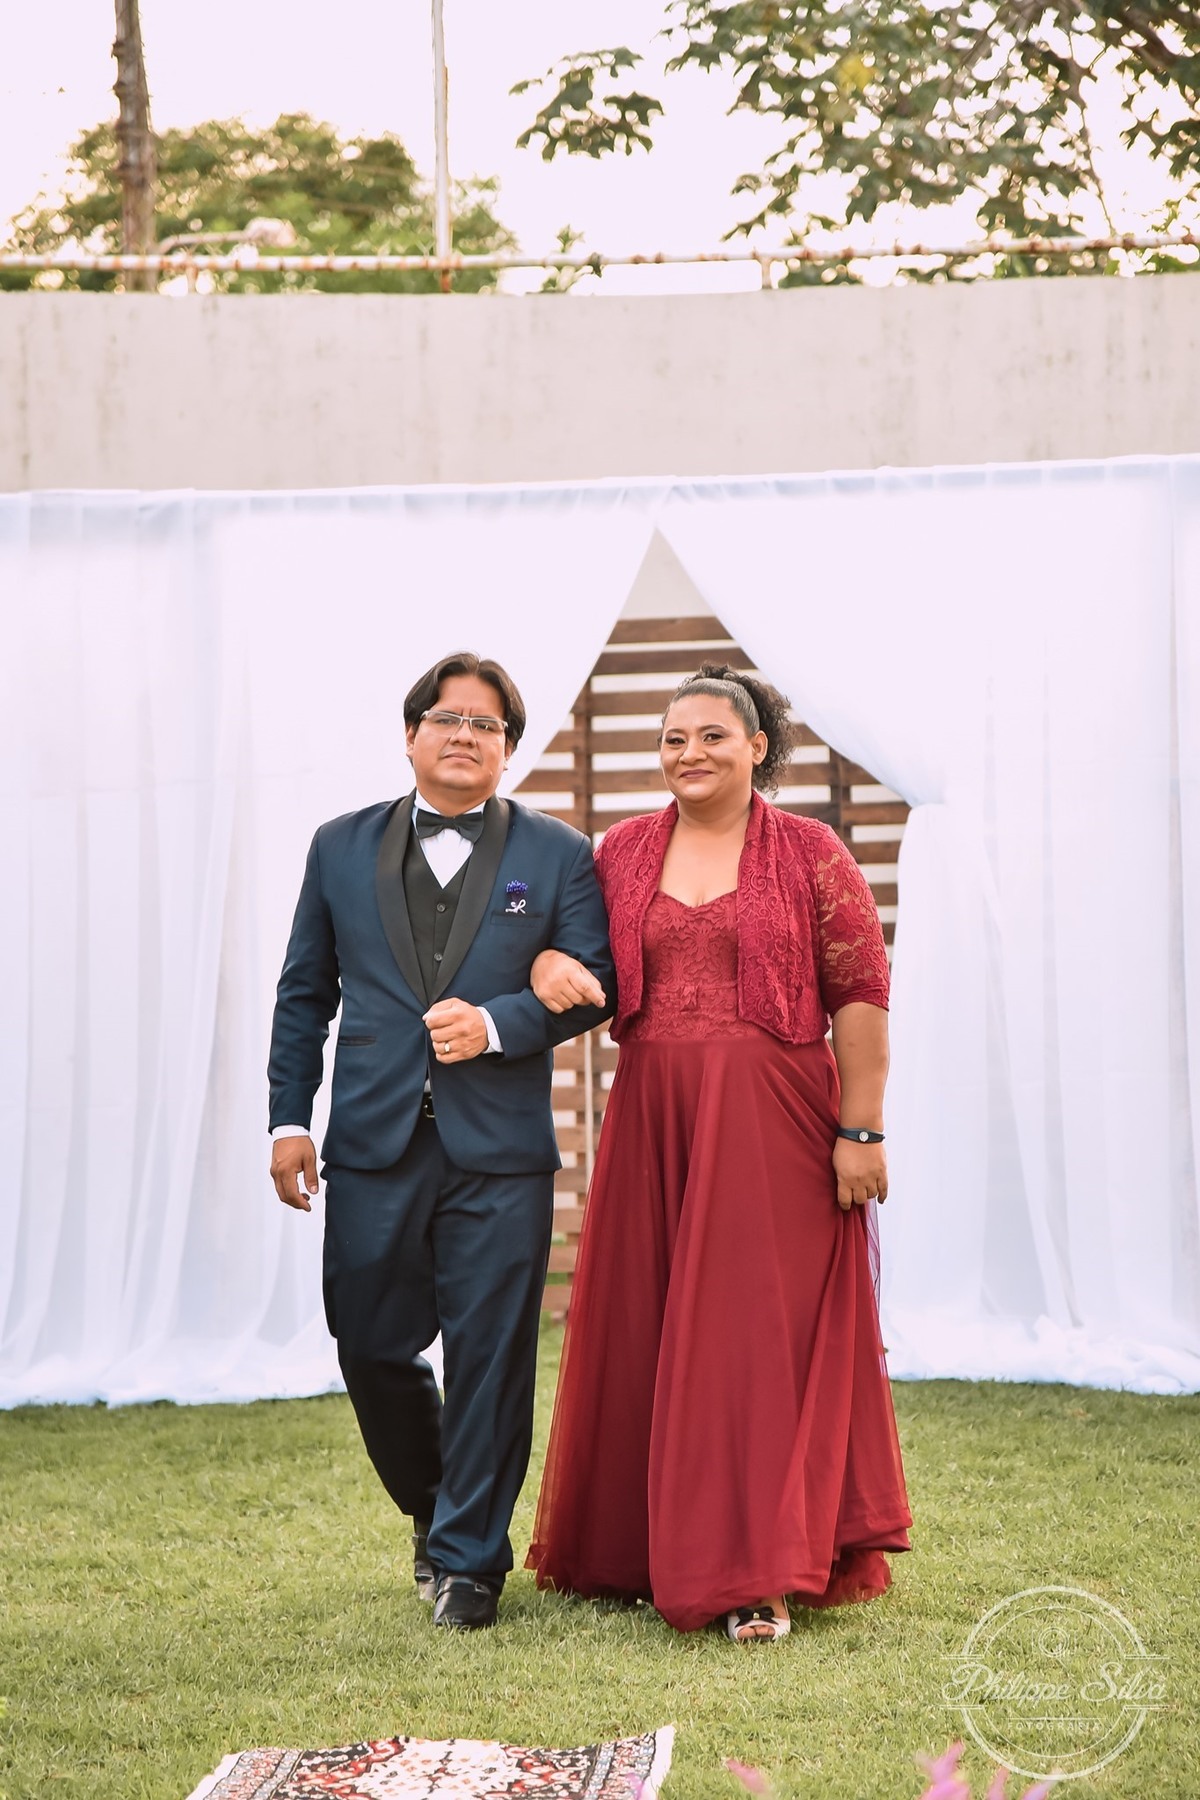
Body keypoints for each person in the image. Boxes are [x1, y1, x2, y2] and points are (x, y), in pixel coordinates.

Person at [525, 664, 911, 1641]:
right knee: (651, 1327)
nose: (688, 752)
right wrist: (547, 960)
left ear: (757, 748)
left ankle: (756, 1575)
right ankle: (639, 1550)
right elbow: (579, 960)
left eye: (711, 736)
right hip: (654, 1116)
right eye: (673, 738)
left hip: (774, 1124)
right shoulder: (620, 852)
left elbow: (861, 995)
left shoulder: (813, 853)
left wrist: (861, 1128)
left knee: (751, 1342)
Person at [268, 652, 614, 1631]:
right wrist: (289, 1118)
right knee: (370, 1343)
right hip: (370, 1141)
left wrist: (500, 1023)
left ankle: (469, 1565)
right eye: (448, 718)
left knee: (492, 1355)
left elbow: (597, 984)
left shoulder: (559, 853)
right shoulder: (338, 846)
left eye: (487, 724)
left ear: (509, 748)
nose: (466, 735)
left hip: (500, 1150)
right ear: (412, 733)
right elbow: (305, 993)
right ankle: (433, 1506)